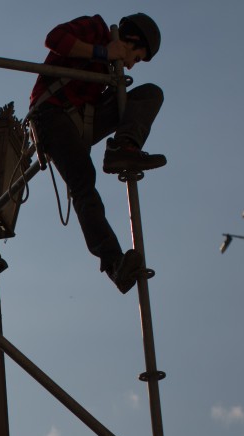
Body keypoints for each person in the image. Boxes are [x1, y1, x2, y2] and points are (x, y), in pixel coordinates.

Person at [28, 12, 165, 294]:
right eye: (135, 56)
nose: (130, 64)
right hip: (51, 115)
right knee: (83, 185)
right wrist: (101, 51)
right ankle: (115, 265)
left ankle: (123, 148)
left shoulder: (110, 68)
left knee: (149, 93)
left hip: (81, 119)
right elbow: (54, 39)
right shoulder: (94, 28)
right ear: (131, 39)